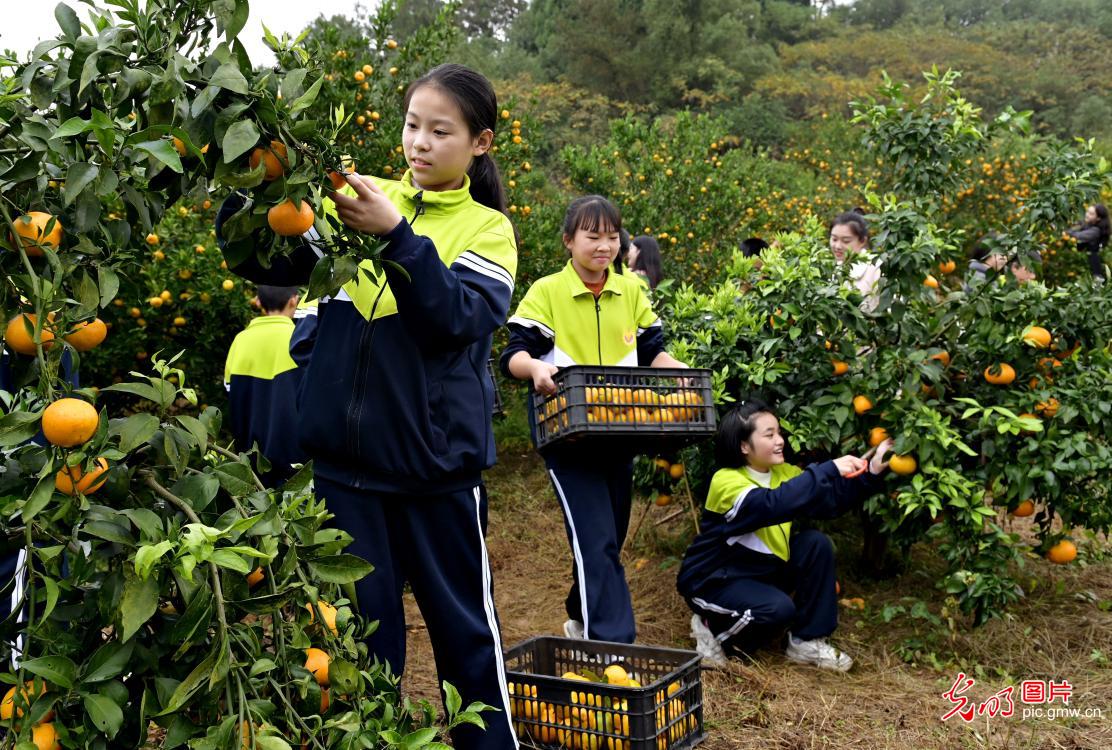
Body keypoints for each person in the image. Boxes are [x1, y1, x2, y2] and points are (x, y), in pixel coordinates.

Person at [216, 63, 518, 750]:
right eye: (413, 126)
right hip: (346, 475)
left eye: (441, 131)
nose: (420, 143)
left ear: (480, 142)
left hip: (432, 474)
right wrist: (246, 172)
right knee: (358, 651)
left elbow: (453, 319)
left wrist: (396, 237)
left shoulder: (487, 230)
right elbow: (270, 261)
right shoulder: (360, 200)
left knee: (466, 640)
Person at [500, 195, 687, 644]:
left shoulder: (631, 292)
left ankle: (580, 612)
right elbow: (514, 356)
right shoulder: (548, 292)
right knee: (597, 539)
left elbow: (651, 351)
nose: (603, 245)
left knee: (608, 537)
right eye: (592, 236)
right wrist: (536, 368)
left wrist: (676, 369)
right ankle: (612, 644)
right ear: (568, 241)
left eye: (611, 237)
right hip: (567, 438)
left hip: (620, 432)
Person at [677, 400, 894, 672]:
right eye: (769, 435)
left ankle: (806, 641)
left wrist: (872, 469)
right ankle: (711, 629)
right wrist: (828, 469)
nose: (779, 440)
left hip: (759, 573)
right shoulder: (726, 481)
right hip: (715, 579)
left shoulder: (784, 474)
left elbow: (828, 501)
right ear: (744, 446)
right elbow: (771, 504)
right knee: (777, 610)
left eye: (779, 432)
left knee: (815, 543)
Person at [223, 285, 306, 485]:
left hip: (251, 463)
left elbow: (230, 391)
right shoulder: (300, 340)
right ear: (294, 300)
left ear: (258, 302)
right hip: (296, 463)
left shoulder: (240, 340)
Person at [829, 211, 882, 312]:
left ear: (862, 241)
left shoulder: (877, 268)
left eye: (846, 241)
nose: (837, 246)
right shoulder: (836, 268)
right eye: (834, 239)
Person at [1066, 203, 1109, 280]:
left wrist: (1066, 231)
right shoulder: (1086, 224)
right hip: (1083, 266)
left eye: (1091, 214)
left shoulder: (1096, 231)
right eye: (1087, 212)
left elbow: (1078, 235)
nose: (1087, 215)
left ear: (1098, 218)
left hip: (1092, 268)